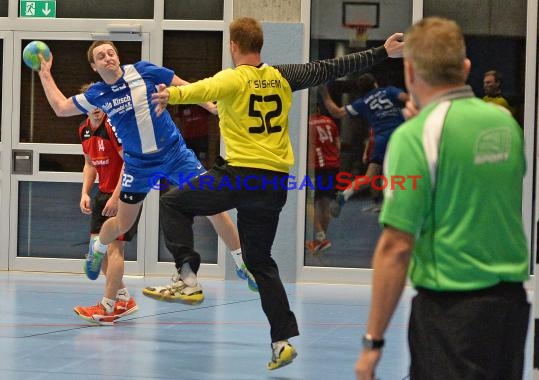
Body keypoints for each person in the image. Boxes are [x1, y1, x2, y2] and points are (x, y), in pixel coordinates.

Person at [150, 17, 404, 370]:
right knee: (261, 262)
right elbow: (332, 67)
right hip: (272, 183)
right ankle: (281, 341)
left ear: (234, 46)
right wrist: (382, 51)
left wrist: (170, 94)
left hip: (239, 175)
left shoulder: (233, 77)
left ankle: (188, 276)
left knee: (174, 203)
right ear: (260, 45)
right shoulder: (284, 75)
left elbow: (200, 89)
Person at [354, 17, 530, 380]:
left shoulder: (414, 137)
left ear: (409, 71)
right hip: (511, 310)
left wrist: (373, 344)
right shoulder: (505, 124)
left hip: (451, 313)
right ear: (465, 68)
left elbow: (396, 247)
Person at [36, 41, 257, 318]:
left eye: (111, 53)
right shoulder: (98, 94)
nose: (108, 58)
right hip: (138, 165)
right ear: (94, 66)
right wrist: (45, 73)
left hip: (175, 154)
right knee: (120, 224)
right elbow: (60, 107)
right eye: (101, 56)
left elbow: (181, 84)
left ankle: (242, 263)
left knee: (214, 207)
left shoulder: (143, 71)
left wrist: (209, 105)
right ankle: (97, 249)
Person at [73, 83, 139, 324]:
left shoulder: (113, 126)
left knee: (114, 249)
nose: (97, 108)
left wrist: (116, 197)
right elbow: (90, 163)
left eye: (101, 103)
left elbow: (129, 161)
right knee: (96, 252)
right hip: (102, 193)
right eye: (92, 103)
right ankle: (124, 299)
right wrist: (85, 192)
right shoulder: (83, 130)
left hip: (124, 192)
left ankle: (107, 308)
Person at [320, 73, 408, 216]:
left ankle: (345, 194)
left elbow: (336, 112)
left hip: (380, 140)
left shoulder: (363, 102)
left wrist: (324, 93)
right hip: (399, 136)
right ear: (375, 84)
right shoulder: (389, 91)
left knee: (368, 178)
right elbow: (409, 99)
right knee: (408, 171)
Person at [305, 101, 341, 254]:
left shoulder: (307, 124)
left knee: (307, 204)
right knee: (324, 205)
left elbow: (308, 147)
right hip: (332, 166)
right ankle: (321, 240)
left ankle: (321, 237)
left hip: (317, 168)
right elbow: (338, 145)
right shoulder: (330, 122)